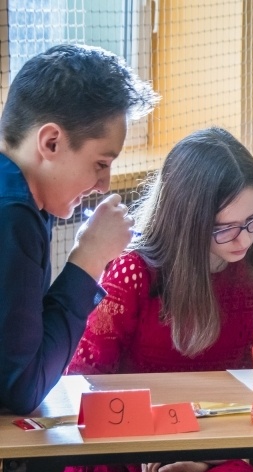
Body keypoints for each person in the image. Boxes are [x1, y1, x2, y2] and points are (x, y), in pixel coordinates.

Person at [32, 128, 253, 472]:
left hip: (210, 451)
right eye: (225, 227)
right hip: (124, 453)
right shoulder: (135, 273)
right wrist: (150, 443)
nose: (244, 238)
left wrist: (207, 458)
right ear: (187, 221)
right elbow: (81, 380)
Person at [0, 44, 158, 415]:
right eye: (100, 163)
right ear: (50, 142)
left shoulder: (25, 200)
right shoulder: (12, 215)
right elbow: (22, 388)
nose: (104, 184)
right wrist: (89, 259)